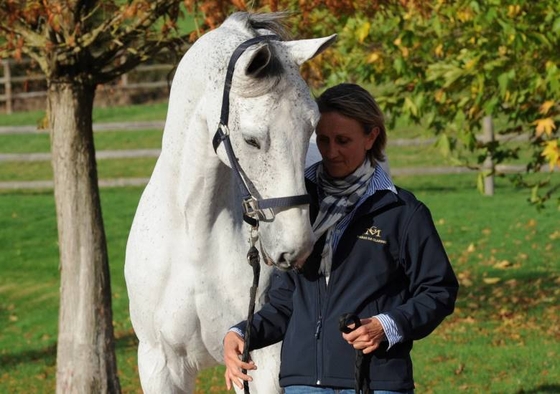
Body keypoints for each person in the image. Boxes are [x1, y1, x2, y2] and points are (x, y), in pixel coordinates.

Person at [223, 83, 459, 393]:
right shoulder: (299, 210)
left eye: (343, 140)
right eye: (323, 140)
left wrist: (387, 326)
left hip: (376, 381)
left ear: (371, 136)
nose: (331, 152)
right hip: (302, 383)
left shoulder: (402, 212)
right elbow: (284, 304)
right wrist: (240, 333)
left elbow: (438, 290)